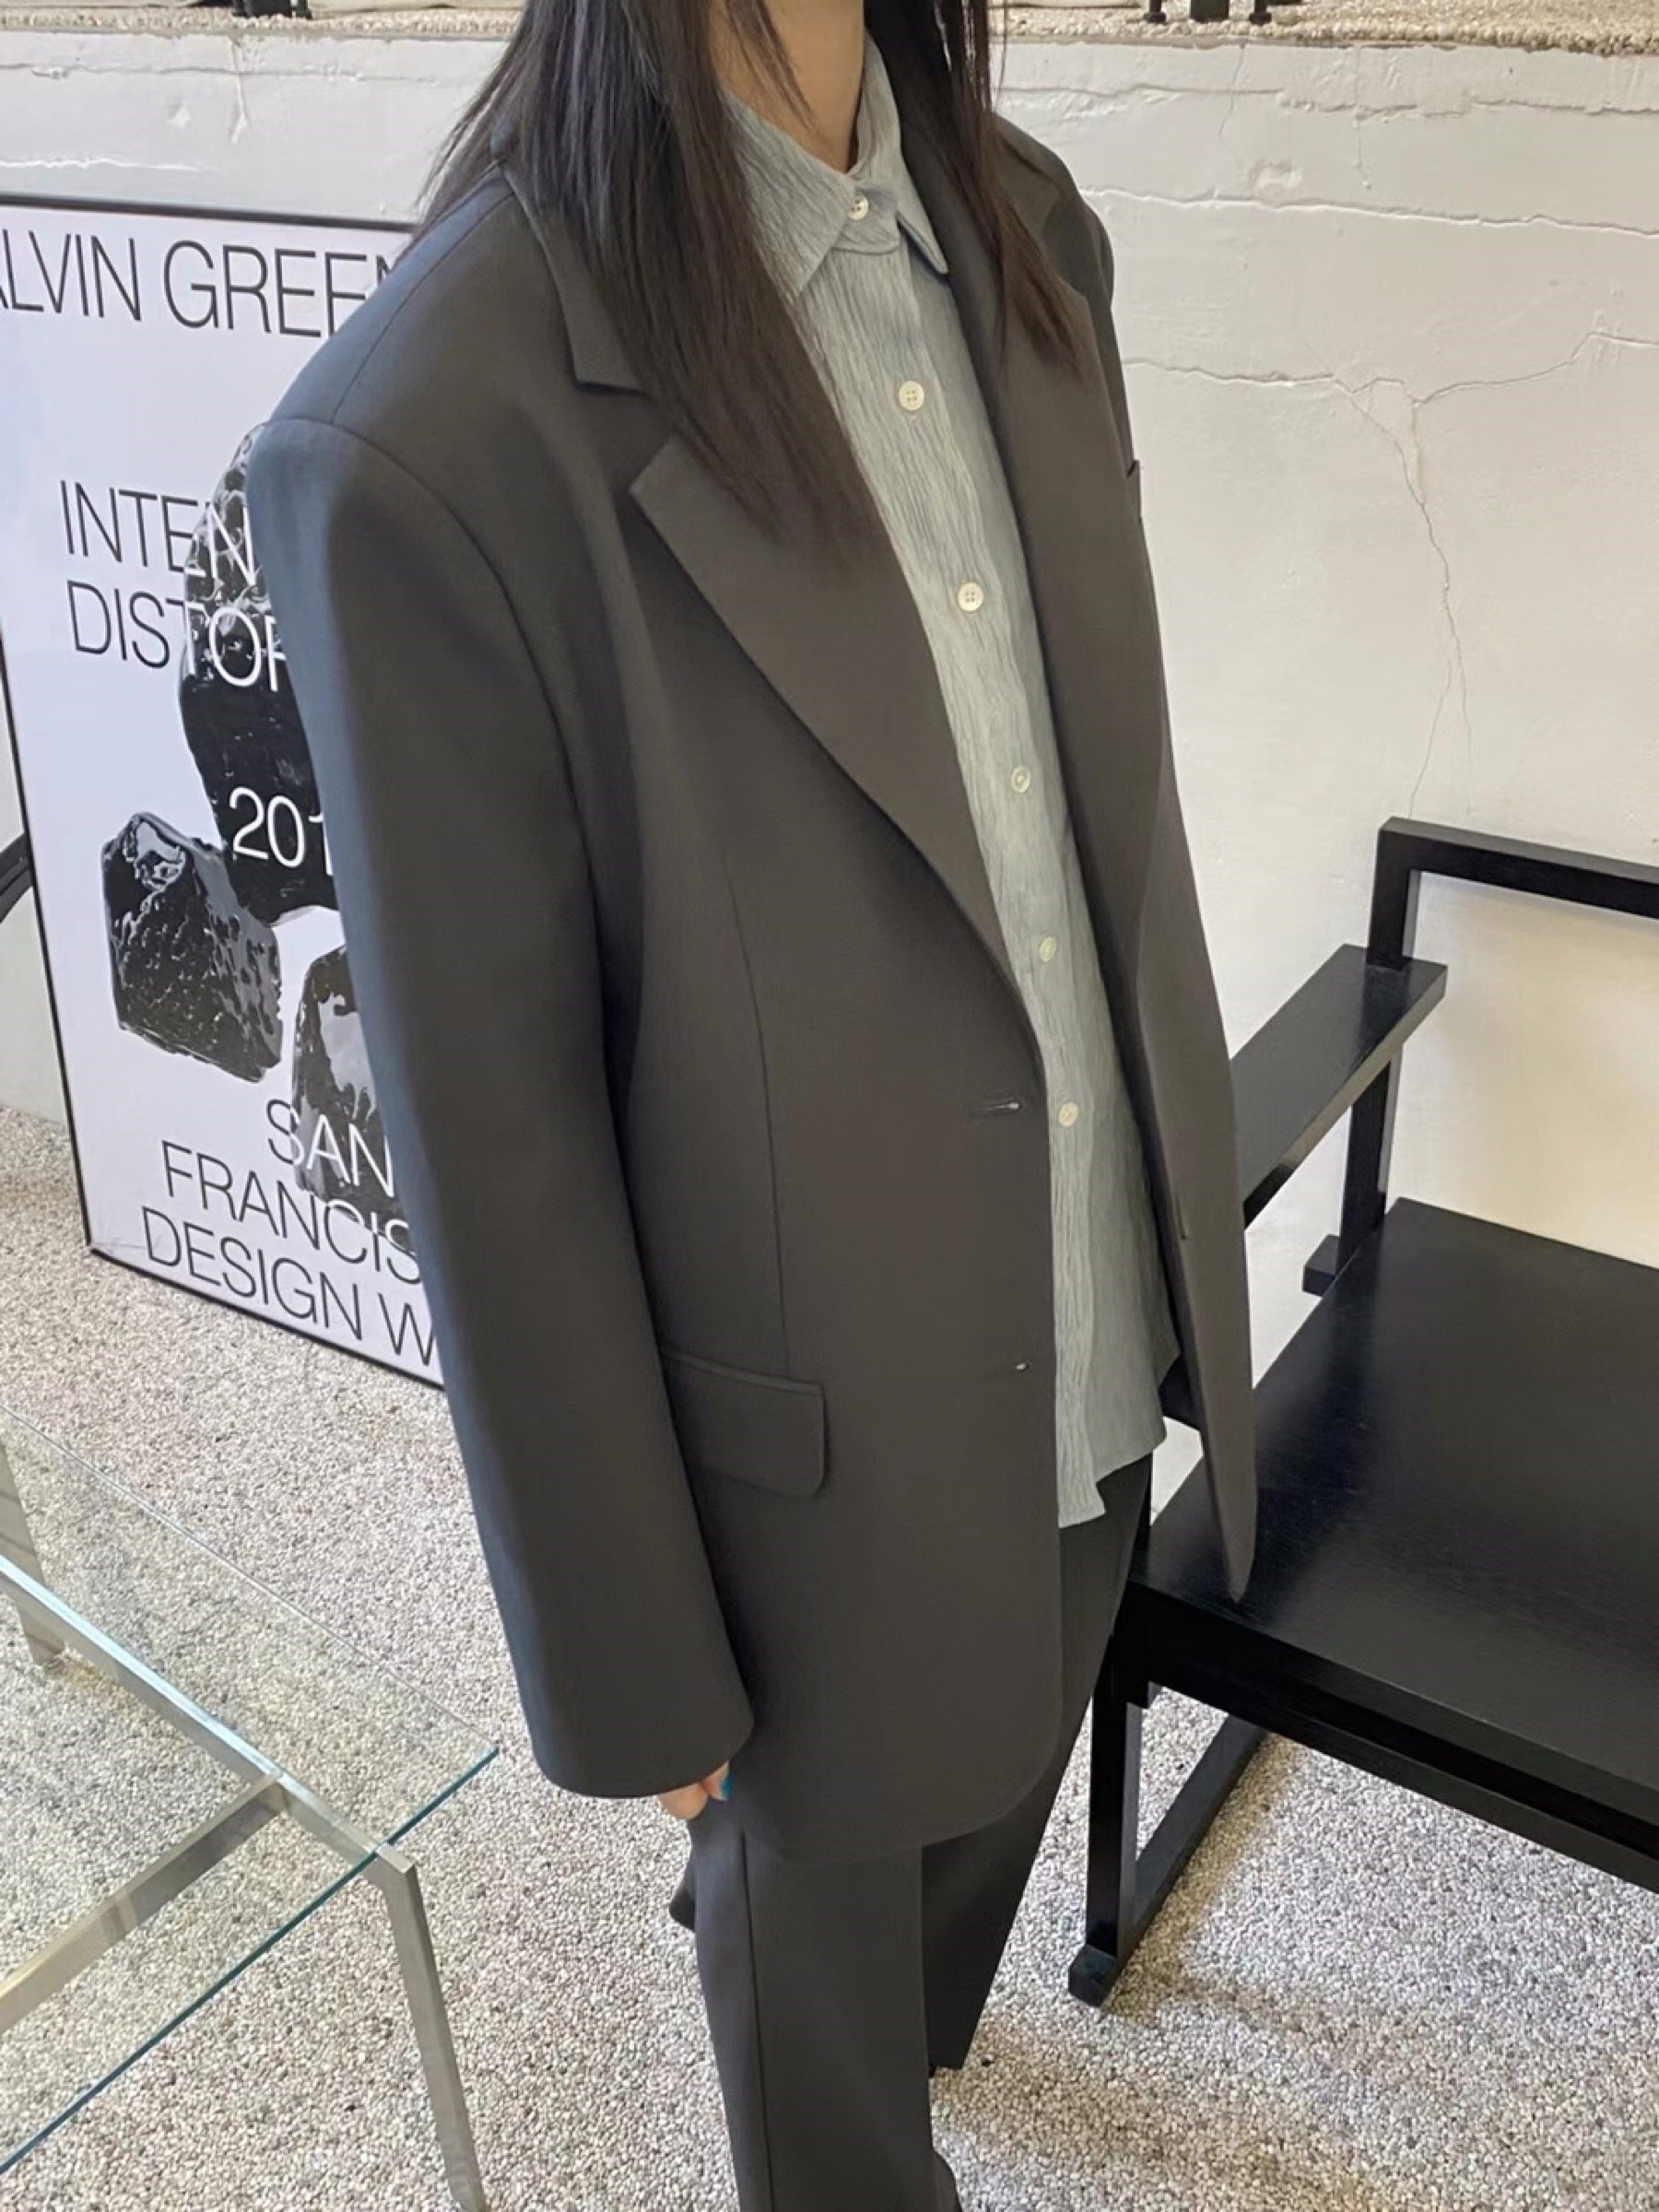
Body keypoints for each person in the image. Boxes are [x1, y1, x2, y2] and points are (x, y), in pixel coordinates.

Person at [246, 0, 1257, 2202]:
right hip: (791, 1476)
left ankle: (906, 2026)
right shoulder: (432, 434)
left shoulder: (1028, 234)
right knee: (821, 2025)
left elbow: (1079, 803)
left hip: (1089, 1307)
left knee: (968, 1807)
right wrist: (640, 1662)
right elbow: (493, 1151)